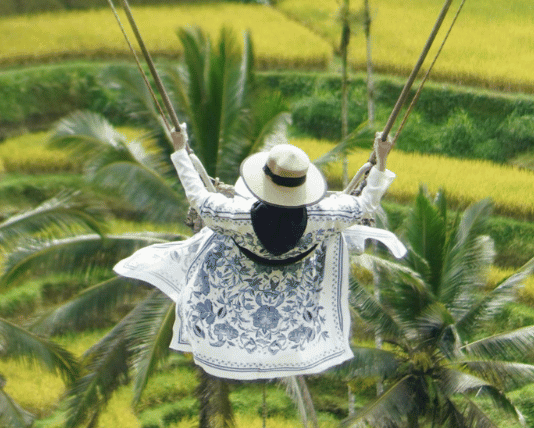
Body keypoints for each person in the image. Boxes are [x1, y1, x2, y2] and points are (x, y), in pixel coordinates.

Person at [114, 131, 404, 380]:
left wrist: (180, 150)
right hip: (295, 288)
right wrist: (381, 159)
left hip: (238, 279)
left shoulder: (233, 216)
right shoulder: (324, 216)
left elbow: (198, 197)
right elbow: (365, 204)